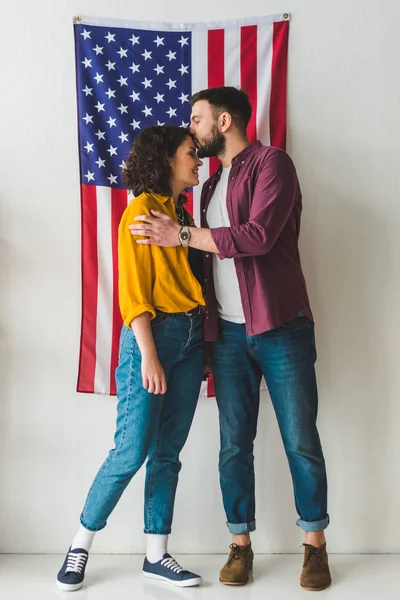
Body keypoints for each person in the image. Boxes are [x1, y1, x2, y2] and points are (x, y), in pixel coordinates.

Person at [128, 87, 331, 591]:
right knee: (233, 445)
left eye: (195, 120)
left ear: (223, 121)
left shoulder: (272, 164)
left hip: (281, 327)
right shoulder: (208, 185)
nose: (190, 131)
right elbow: (201, 262)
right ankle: (240, 544)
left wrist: (178, 235)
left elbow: (257, 236)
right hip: (228, 335)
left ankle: (315, 547)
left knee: (301, 441)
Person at [57, 126, 205, 591]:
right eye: (190, 154)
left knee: (168, 453)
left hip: (190, 336)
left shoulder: (178, 213)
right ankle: (80, 543)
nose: (198, 160)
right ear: (165, 160)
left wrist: (195, 345)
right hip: (154, 337)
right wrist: (149, 355)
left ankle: (156, 555)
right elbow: (134, 294)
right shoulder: (141, 213)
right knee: (130, 451)